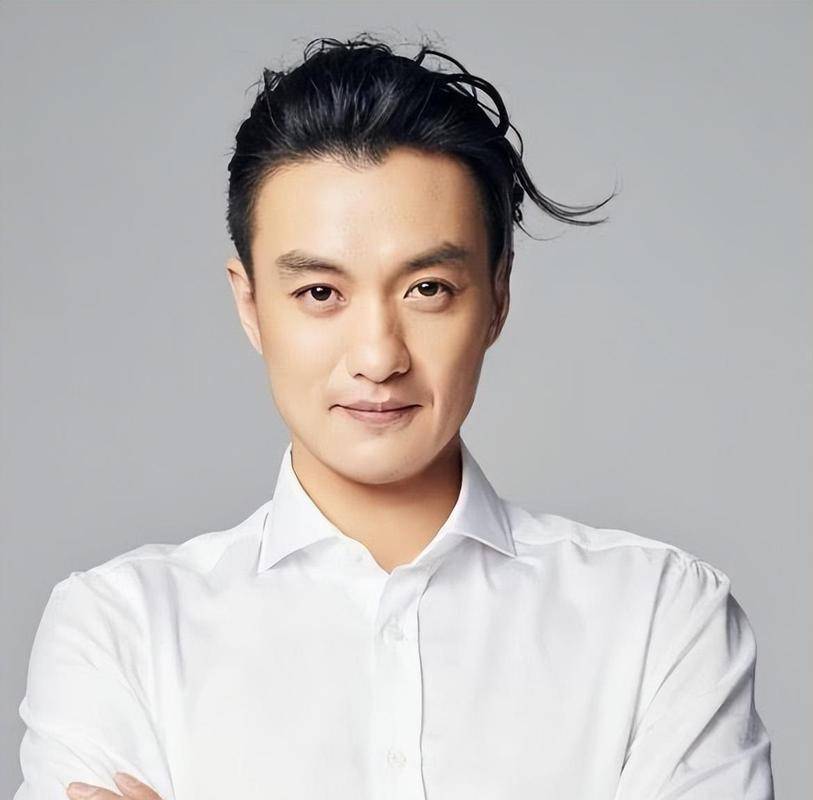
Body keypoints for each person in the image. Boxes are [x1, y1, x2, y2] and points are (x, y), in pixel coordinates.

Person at [14, 33, 774, 800]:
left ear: (497, 296)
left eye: (427, 289)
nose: (378, 357)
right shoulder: (119, 629)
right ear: (250, 303)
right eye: (320, 293)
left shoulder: (658, 618)